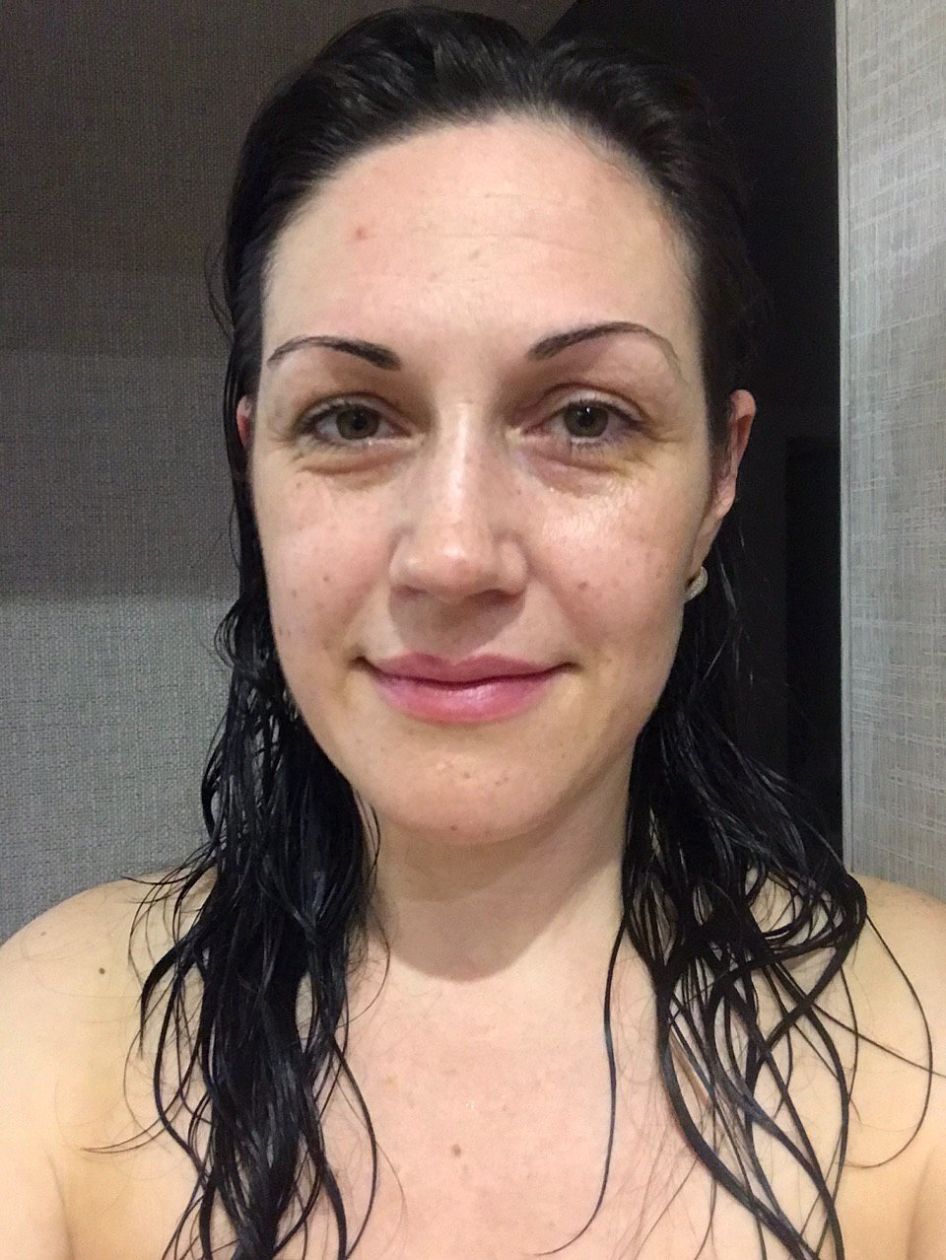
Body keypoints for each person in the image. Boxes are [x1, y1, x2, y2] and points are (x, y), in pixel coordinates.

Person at [1, 6, 944, 1259]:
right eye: (349, 419)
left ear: (718, 480)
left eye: (587, 417)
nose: (452, 556)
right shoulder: (48, 1051)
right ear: (252, 466)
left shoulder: (916, 1056)